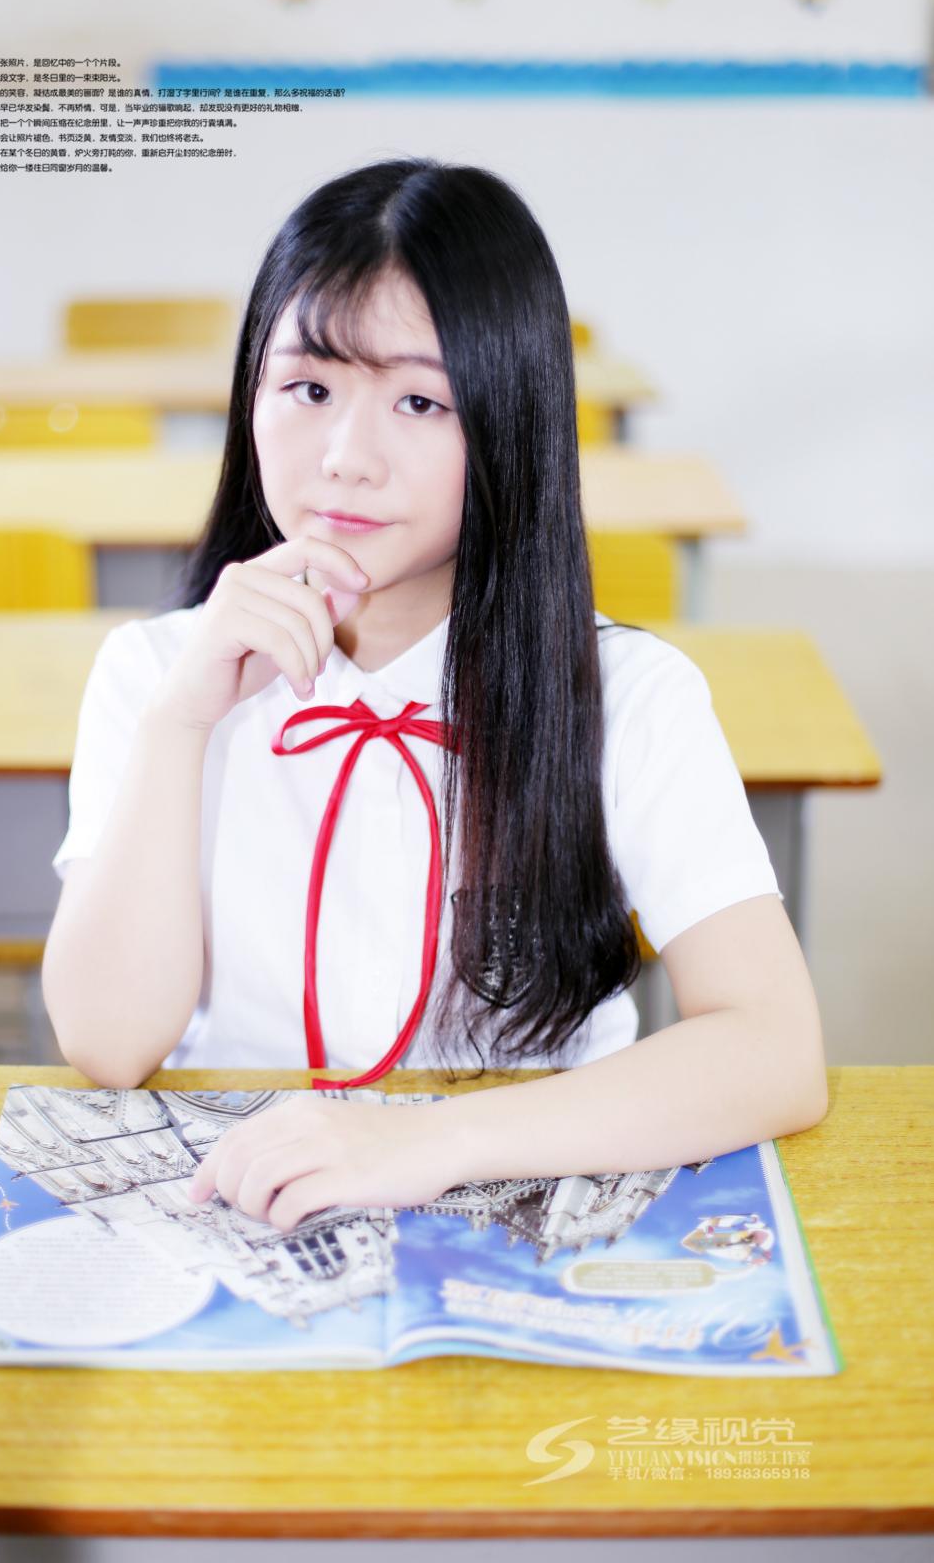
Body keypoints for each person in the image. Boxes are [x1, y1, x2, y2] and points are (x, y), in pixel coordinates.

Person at [42, 157, 828, 1235]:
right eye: (309, 389)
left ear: (508, 423)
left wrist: (429, 1141)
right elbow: (107, 1043)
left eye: (419, 401)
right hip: (243, 1201)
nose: (345, 458)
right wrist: (182, 724)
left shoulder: (626, 696)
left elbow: (774, 1049)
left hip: (521, 1204)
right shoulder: (154, 674)